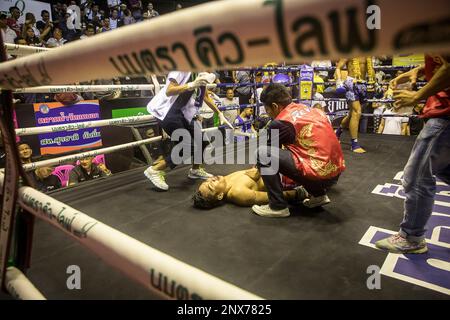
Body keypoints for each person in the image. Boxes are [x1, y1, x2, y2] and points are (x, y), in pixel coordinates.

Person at [375, 55, 450, 254]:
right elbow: (442, 61)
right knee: (444, 171)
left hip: (445, 114)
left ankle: (412, 237)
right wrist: (418, 70)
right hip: (443, 111)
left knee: (416, 176)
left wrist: (417, 96)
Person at [251, 84, 345, 217]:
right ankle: (319, 195)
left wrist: (256, 169)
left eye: (267, 109)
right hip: (336, 171)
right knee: (305, 156)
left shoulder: (280, 122)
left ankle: (277, 206)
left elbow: (269, 154)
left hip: (319, 175)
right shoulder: (307, 108)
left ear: (275, 106)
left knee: (262, 154)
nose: (268, 114)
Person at [144, 71, 233, 191]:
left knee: (201, 140)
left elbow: (205, 96)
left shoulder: (200, 75)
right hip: (166, 112)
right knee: (187, 146)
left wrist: (220, 113)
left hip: (181, 112)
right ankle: (155, 170)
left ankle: (195, 170)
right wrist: (191, 85)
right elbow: (169, 90)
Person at [193, 167, 308, 208]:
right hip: (286, 178)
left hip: (275, 168)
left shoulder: (224, 180)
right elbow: (273, 196)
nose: (211, 179)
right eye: (211, 185)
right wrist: (299, 193)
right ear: (220, 195)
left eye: (207, 180)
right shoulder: (238, 193)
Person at [334, 57, 376, 153]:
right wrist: (339, 82)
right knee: (357, 112)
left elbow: (370, 69)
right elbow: (338, 68)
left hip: (364, 84)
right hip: (351, 84)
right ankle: (354, 144)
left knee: (352, 114)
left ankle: (338, 132)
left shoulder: (368, 54)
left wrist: (374, 82)